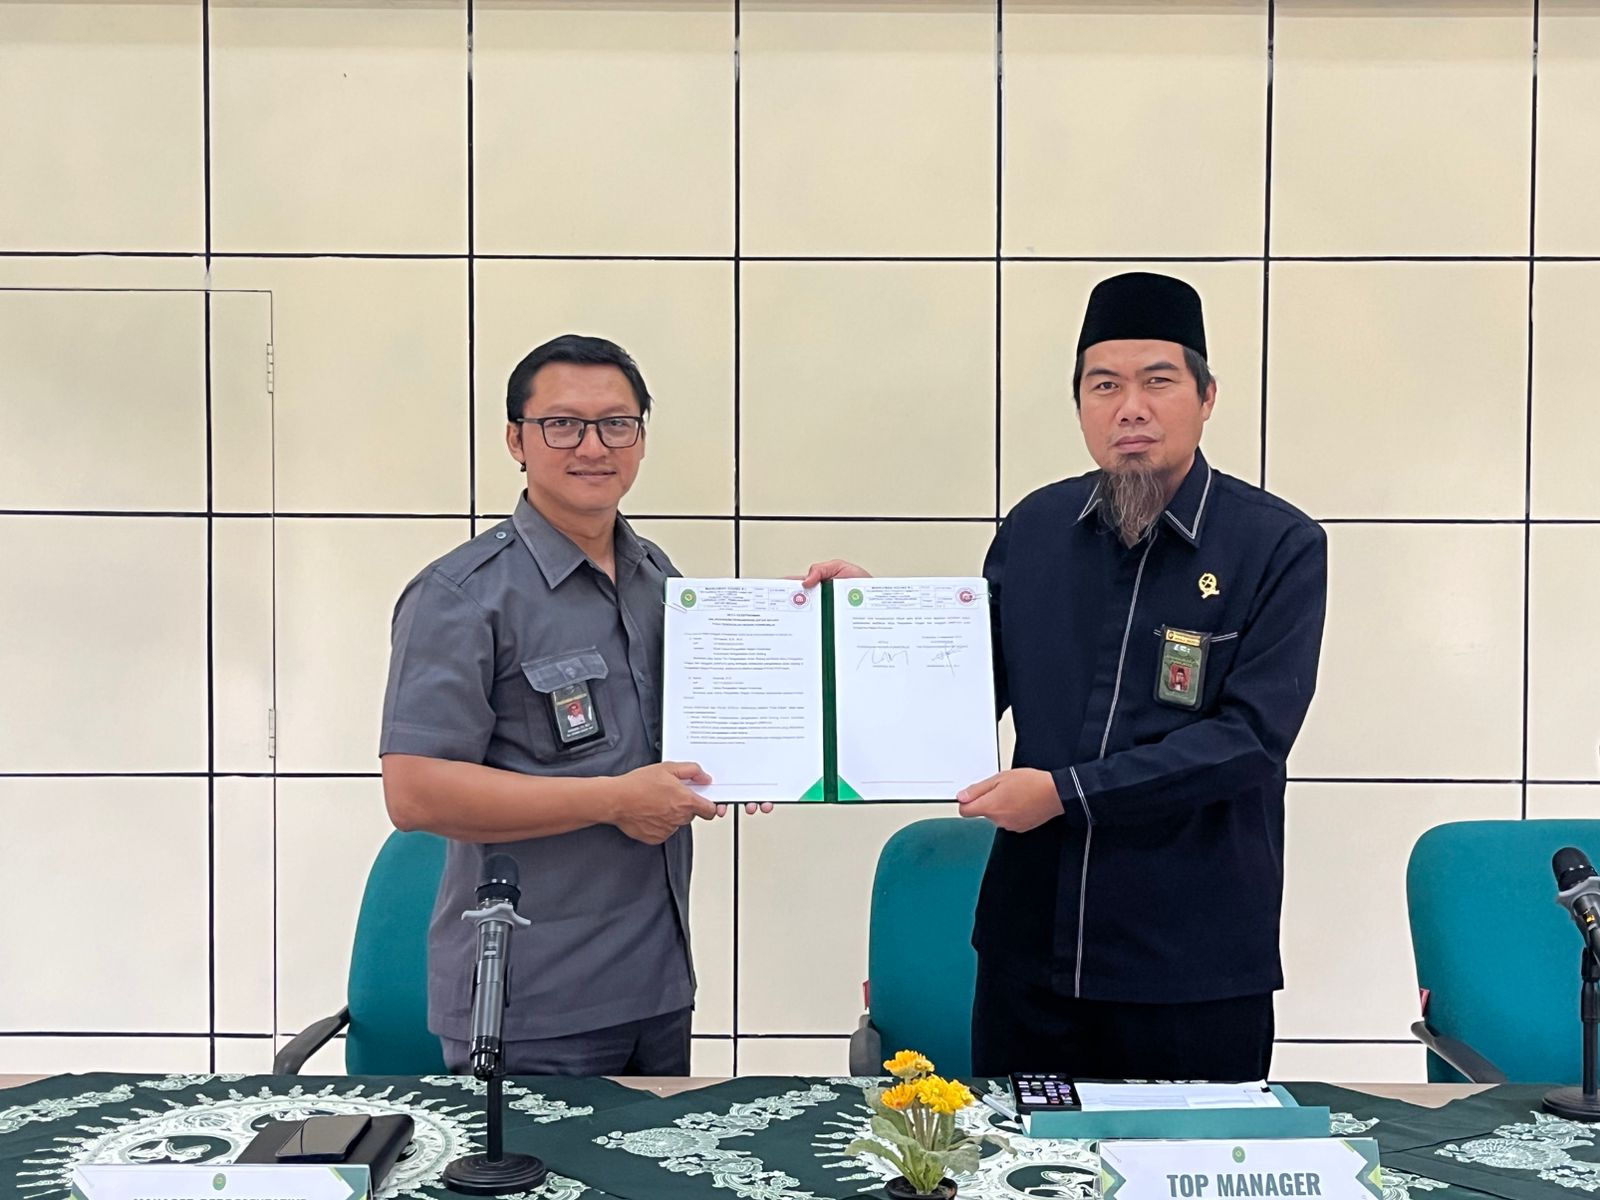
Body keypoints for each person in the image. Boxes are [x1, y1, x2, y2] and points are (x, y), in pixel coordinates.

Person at [806, 272, 1327, 1080]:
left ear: (1206, 397)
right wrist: (874, 622)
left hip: (1191, 964)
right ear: (1080, 403)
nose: (1131, 407)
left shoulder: (1277, 546)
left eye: (1158, 381)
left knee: (1189, 1154)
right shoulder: (1036, 528)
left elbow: (1249, 741)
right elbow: (966, 690)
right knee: (1018, 1150)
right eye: (1104, 385)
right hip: (1030, 959)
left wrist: (1064, 793)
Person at [380, 333, 764, 1076]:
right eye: (562, 424)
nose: (593, 446)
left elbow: (713, 708)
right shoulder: (461, 596)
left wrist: (822, 623)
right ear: (516, 441)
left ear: (641, 439)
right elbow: (415, 792)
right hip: (530, 1004)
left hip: (656, 987)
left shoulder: (658, 579)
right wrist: (612, 800)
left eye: (616, 424)